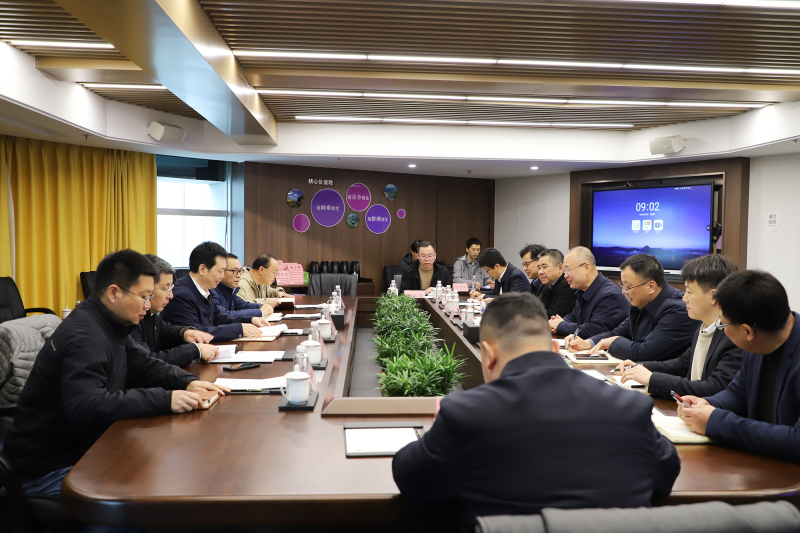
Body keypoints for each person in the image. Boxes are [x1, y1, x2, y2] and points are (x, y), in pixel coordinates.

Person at [392, 292, 680, 519]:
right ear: (555, 348)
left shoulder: (466, 413)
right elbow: (664, 477)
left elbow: (412, 482)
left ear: (489, 355)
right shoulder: (630, 406)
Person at [4, 250, 228, 523]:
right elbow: (86, 406)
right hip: (49, 465)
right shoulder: (85, 335)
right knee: (143, 508)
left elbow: (142, 362)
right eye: (144, 296)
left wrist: (188, 382)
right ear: (114, 293)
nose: (148, 305)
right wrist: (165, 399)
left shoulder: (110, 323)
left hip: (82, 446)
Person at [679, 270, 800, 464]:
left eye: (723, 325)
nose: (722, 330)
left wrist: (716, 421)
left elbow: (796, 441)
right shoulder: (760, 340)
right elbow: (738, 393)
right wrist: (708, 404)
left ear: (747, 332)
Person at [615, 254, 743, 396]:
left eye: (689, 292)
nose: (684, 298)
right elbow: (682, 364)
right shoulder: (704, 327)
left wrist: (652, 379)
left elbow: (715, 387)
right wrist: (639, 366)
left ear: (714, 296)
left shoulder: (734, 336)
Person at [567, 254, 697, 362]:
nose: (623, 292)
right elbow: (616, 332)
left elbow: (644, 353)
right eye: (622, 286)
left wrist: (614, 341)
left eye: (628, 287)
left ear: (651, 287)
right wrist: (588, 343)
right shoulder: (643, 302)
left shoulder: (678, 309)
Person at [160, 241, 269, 341]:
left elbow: (219, 316)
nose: (222, 276)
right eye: (220, 271)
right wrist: (238, 329)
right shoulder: (181, 295)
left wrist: (250, 320)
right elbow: (196, 333)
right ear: (202, 269)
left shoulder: (205, 290)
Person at [130, 254, 219, 366]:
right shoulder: (130, 319)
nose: (171, 295)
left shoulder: (151, 315)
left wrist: (185, 332)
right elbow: (145, 362)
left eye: (171, 288)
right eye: (165, 288)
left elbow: (166, 330)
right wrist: (195, 350)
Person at [549, 246, 628, 338]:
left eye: (568, 270)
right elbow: (574, 317)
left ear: (586, 268)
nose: (565, 275)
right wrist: (557, 323)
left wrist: (560, 325)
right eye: (564, 271)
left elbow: (595, 330)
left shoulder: (610, 295)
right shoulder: (582, 290)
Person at [212, 253, 274, 320]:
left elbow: (244, 305)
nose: (239, 275)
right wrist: (260, 312)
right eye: (234, 270)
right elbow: (223, 315)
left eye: (240, 271)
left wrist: (262, 306)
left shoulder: (229, 291)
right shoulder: (212, 292)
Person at [535, 248, 577, 317]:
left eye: (544, 267)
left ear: (560, 268)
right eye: (539, 268)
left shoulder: (568, 285)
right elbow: (539, 308)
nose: (540, 272)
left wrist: (532, 312)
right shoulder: (546, 284)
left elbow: (556, 315)